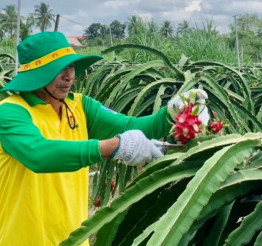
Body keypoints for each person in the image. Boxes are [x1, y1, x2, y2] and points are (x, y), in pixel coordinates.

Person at [0, 31, 209, 246]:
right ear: (36, 73)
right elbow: (39, 154)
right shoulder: (11, 112)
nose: (69, 76)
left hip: (74, 241)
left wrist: (172, 113)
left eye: (71, 66)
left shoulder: (80, 106)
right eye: (59, 69)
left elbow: (130, 126)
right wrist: (115, 146)